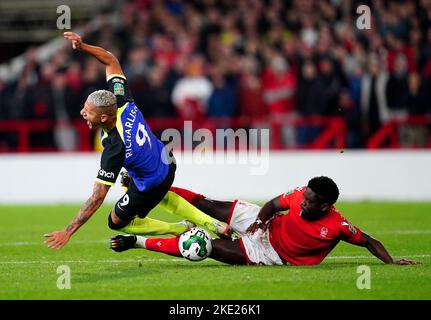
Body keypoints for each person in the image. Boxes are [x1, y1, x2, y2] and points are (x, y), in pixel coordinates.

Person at [44, 32, 231, 250]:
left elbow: (96, 198)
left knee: (116, 221)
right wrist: (83, 46)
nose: (82, 113)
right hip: (166, 159)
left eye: (88, 112)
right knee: (143, 187)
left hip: (153, 179)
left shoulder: (115, 147)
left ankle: (179, 229)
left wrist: (68, 231)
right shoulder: (122, 100)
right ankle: (214, 224)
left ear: (104, 117)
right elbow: (111, 60)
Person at [111, 176, 416, 266]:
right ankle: (148, 188)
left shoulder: (337, 225)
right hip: (265, 225)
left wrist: (391, 263)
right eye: (305, 196)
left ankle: (137, 241)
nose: (303, 203)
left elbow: (369, 241)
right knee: (207, 203)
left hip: (271, 254)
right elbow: (272, 204)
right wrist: (259, 221)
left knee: (202, 248)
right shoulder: (298, 195)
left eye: (310, 202)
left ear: (326, 206)